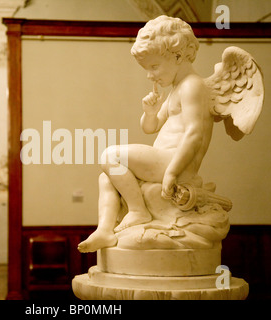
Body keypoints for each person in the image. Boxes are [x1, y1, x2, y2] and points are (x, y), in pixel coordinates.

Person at [78, 16, 212, 253]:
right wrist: (150, 112)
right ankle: (105, 230)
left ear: (178, 56)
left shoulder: (193, 86)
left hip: (176, 163)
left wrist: (172, 172)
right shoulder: (175, 90)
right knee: (107, 178)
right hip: (163, 159)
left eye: (154, 67)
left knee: (110, 156)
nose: (151, 76)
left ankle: (138, 210)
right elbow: (151, 127)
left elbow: (195, 134)